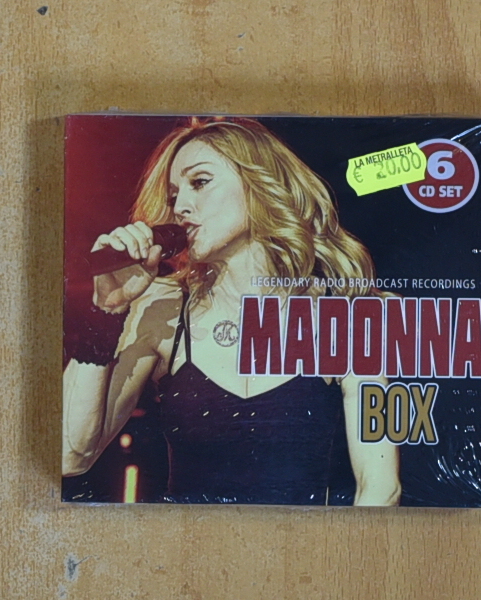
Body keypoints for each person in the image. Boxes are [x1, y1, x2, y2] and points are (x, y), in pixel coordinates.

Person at [62, 117, 400, 506]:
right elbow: (70, 456)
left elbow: (381, 488)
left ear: (258, 182)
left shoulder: (347, 315)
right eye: (173, 196)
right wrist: (106, 312)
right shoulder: (160, 309)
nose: (181, 207)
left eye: (200, 182)